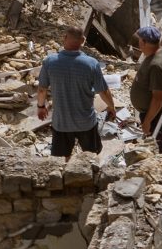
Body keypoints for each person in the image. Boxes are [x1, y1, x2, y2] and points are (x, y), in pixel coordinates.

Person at [36, 25, 116, 156]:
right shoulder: (92, 63)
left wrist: (40, 106)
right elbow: (103, 91)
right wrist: (111, 107)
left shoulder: (50, 62)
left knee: (61, 160)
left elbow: (41, 90)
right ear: (83, 40)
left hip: (61, 123)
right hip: (86, 123)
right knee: (92, 156)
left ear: (65, 38)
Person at [128, 24, 162, 156]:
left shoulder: (157, 65)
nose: (138, 42)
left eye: (139, 40)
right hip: (155, 112)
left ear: (144, 42)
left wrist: (147, 121)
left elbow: (158, 97)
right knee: (159, 146)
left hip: (157, 114)